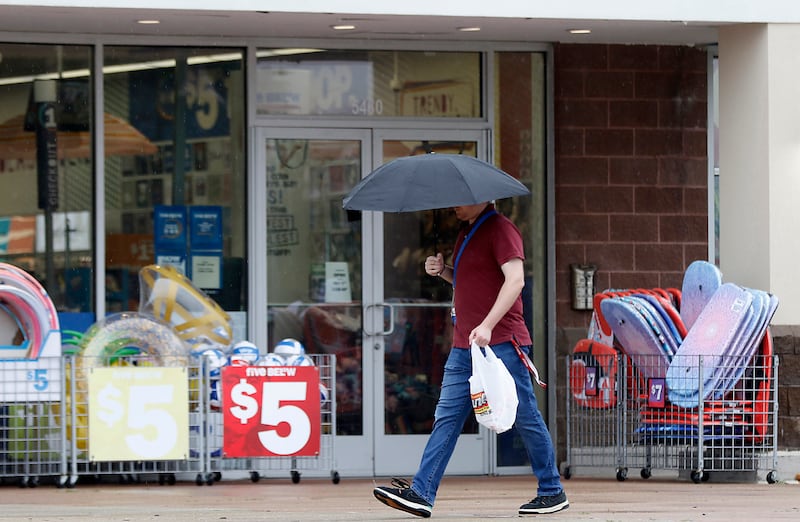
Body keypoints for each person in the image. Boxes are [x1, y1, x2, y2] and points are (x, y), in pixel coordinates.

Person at [373, 202, 568, 518]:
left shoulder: (502, 229)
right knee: (447, 416)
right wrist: (444, 272)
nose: (454, 206)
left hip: (503, 342)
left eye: (461, 200)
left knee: (525, 415)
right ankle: (421, 493)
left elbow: (515, 280)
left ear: (483, 198)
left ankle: (552, 490)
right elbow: (475, 283)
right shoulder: (466, 233)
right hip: (465, 344)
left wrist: (488, 324)